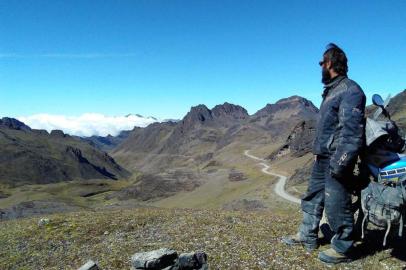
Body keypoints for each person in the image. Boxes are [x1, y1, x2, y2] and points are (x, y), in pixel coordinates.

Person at [282, 43, 366, 264]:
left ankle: (343, 248)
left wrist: (340, 162)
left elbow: (351, 132)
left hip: (336, 158)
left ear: (329, 63)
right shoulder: (332, 90)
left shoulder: (351, 90)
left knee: (337, 202)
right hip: (322, 158)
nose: (319, 66)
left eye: (321, 62)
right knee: (312, 198)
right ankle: (307, 235)